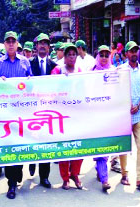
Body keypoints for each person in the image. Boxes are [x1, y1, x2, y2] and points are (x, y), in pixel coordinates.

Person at [0, 31, 32, 199]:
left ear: (17, 44)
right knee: (10, 147)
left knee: (20, 146)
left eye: (13, 41)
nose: (10, 44)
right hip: (6, 113)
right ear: (4, 44)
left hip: (21, 113)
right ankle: (11, 183)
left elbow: (31, 85)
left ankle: (18, 173)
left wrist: (29, 83)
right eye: (7, 41)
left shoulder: (25, 62)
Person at [117, 41, 140, 193]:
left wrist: (138, 105)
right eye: (131, 51)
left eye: (136, 51)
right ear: (126, 54)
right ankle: (124, 174)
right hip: (123, 116)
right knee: (124, 146)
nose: (134, 53)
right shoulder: (120, 70)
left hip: (139, 116)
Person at [51, 43, 83, 190]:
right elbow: (50, 88)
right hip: (62, 115)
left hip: (76, 113)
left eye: (73, 54)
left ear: (77, 56)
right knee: (64, 147)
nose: (71, 57)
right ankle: (65, 178)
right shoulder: (58, 70)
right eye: (68, 54)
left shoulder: (80, 71)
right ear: (64, 57)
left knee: (78, 146)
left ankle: (75, 174)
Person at [28, 33, 56, 188]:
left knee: (46, 143)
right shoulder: (28, 63)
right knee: (32, 139)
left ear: (49, 46)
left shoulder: (54, 66)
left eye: (46, 43)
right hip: (31, 110)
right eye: (40, 43)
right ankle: (31, 162)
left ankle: (44, 177)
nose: (43, 46)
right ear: (36, 46)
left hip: (48, 111)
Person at [91, 45, 115, 192]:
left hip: (110, 115)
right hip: (96, 115)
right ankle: (105, 179)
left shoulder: (114, 72)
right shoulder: (92, 72)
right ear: (98, 56)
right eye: (102, 55)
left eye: (107, 55)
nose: (105, 57)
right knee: (101, 147)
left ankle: (101, 170)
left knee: (106, 147)